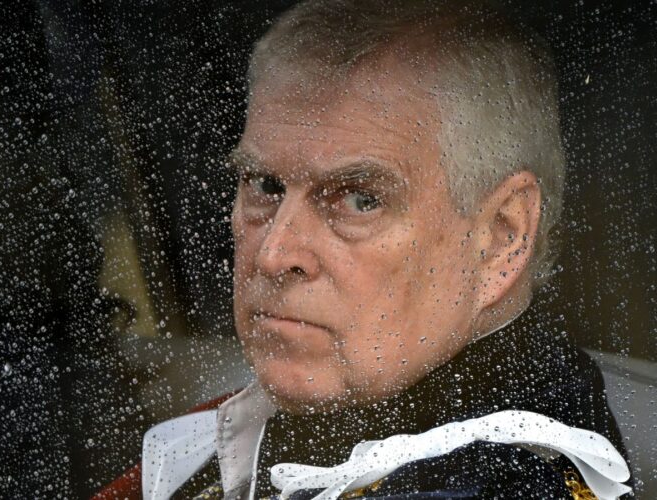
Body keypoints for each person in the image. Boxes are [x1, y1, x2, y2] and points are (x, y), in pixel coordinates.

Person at [98, 1, 631, 498]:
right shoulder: (311, 423)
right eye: (264, 185)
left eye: (359, 199)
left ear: (500, 237)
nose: (273, 254)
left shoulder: (502, 480)